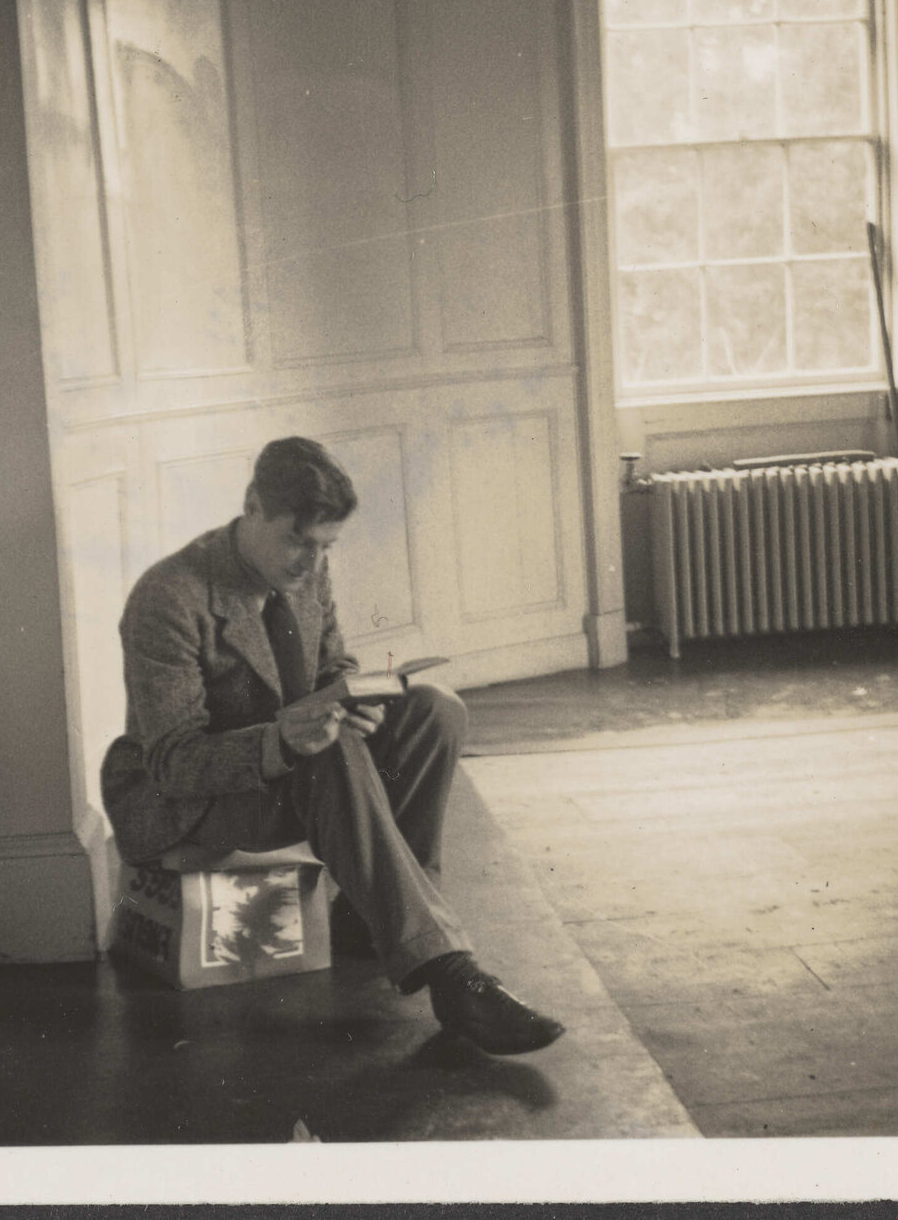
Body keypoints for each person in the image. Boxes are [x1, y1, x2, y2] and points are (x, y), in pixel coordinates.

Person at [100, 436, 564, 1056]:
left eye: (327, 547)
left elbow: (328, 665)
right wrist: (280, 743)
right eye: (298, 541)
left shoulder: (302, 570)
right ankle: (451, 975)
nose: (311, 564)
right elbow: (173, 764)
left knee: (436, 711)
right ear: (252, 506)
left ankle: (371, 922)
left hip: (293, 765)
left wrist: (354, 701)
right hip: (191, 802)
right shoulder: (170, 597)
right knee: (328, 753)